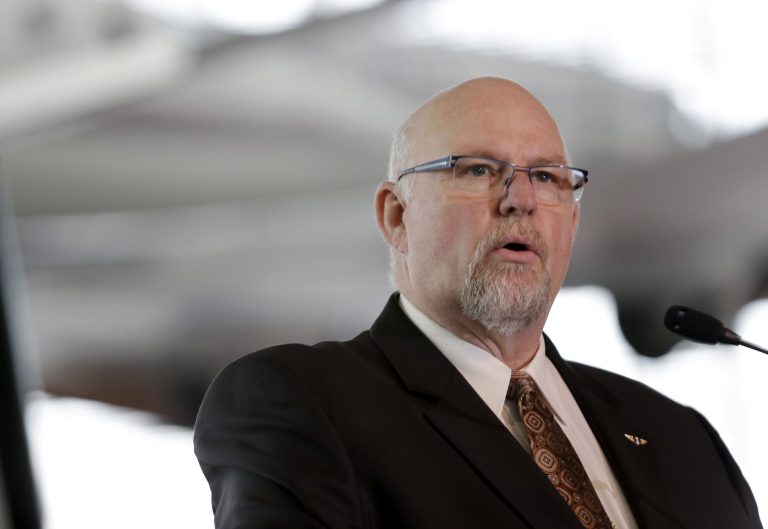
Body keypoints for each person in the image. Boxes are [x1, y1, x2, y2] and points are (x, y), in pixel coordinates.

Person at [193, 77, 763, 529]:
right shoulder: (301, 401)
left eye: (546, 177)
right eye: (477, 170)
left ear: (574, 219)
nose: (520, 200)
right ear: (397, 215)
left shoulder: (683, 437)